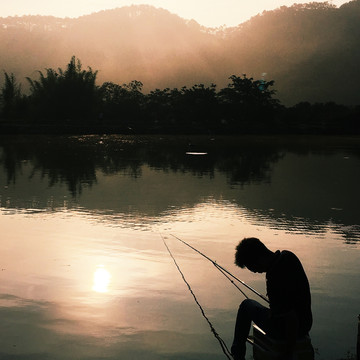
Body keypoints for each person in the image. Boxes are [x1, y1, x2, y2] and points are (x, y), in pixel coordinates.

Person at [231, 237, 312, 360]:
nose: (254, 271)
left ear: (256, 260)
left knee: (246, 306)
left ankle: (237, 355)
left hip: (284, 329)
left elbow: (291, 319)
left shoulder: (274, 278)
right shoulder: (289, 256)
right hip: (306, 323)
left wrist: (288, 353)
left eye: (251, 267)